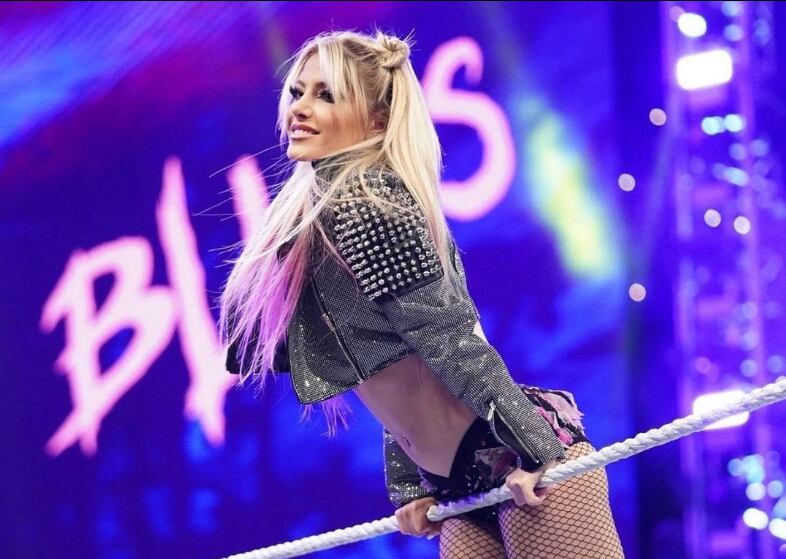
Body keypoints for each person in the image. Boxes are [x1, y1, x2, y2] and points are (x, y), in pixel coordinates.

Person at [219, 29, 624, 558]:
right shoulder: (318, 212)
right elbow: (389, 359)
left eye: (326, 95)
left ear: (377, 120)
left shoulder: (368, 203)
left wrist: (538, 452)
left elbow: (448, 339)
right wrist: (413, 483)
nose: (300, 108)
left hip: (516, 457)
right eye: (297, 92)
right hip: (460, 482)